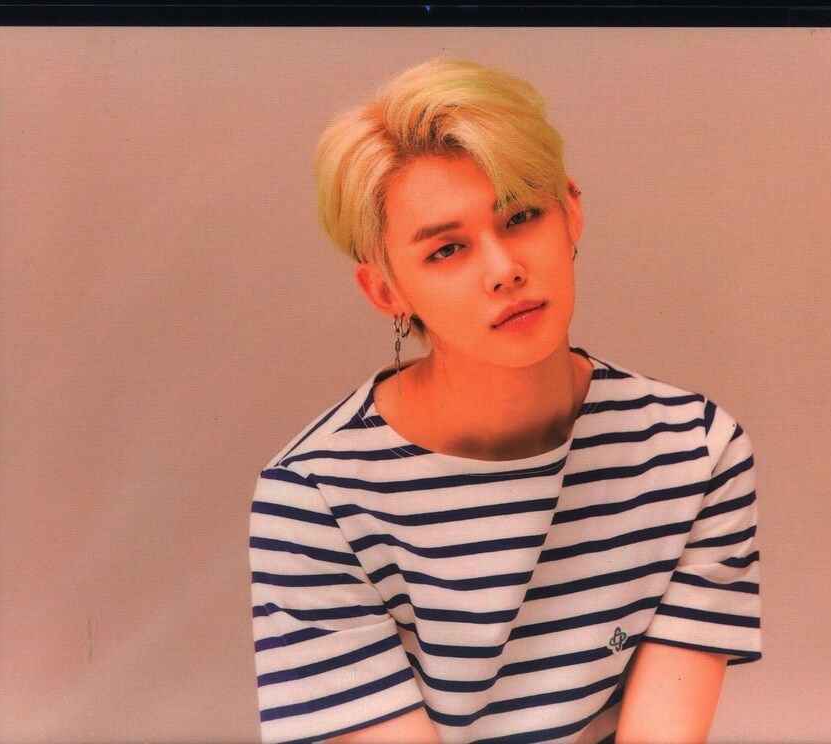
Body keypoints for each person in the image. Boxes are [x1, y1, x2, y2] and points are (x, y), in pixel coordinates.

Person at [249, 57, 761, 744]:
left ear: (571, 211)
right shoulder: (315, 499)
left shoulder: (694, 452)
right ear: (386, 291)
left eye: (521, 216)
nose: (504, 270)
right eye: (447, 250)